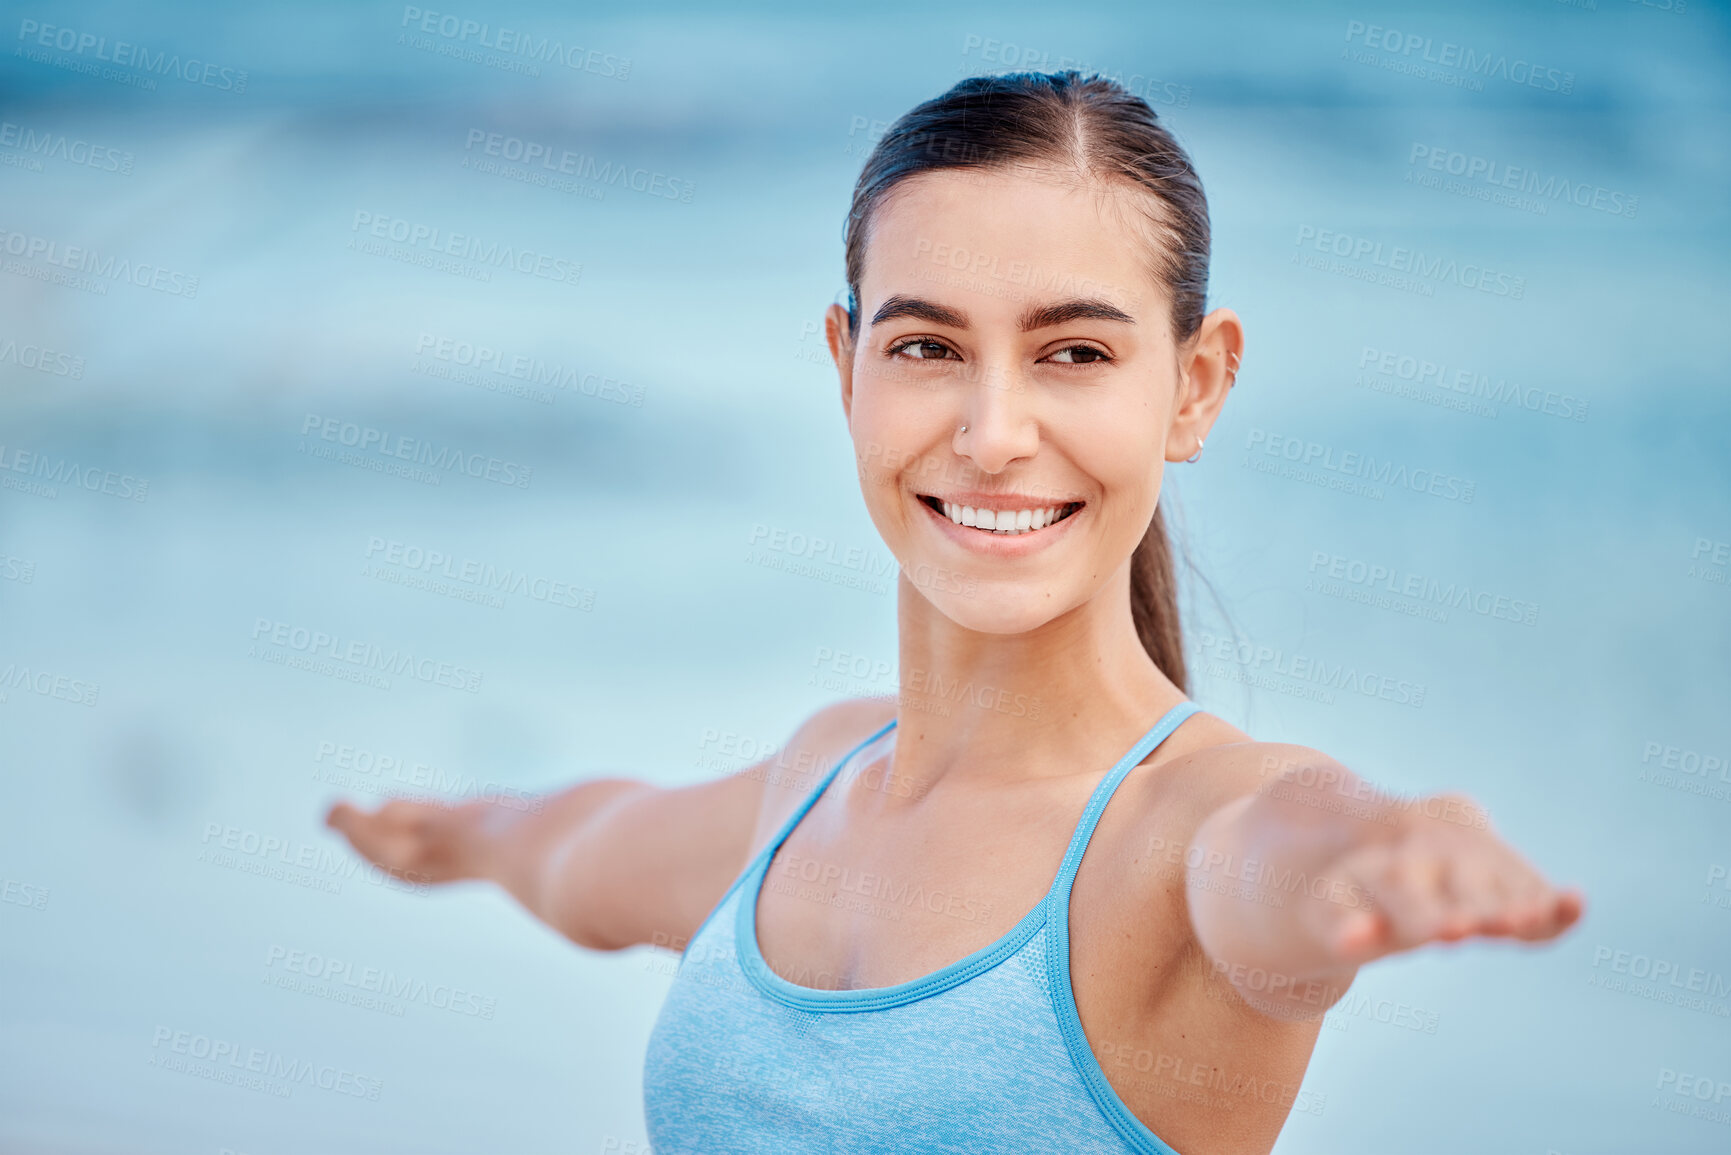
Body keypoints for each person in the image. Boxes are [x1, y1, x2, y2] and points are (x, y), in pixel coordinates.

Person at [327, 71, 1583, 1155]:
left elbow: (1291, 857)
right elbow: (586, 853)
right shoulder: (818, 779)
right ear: (846, 366)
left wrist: (1397, 845)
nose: (991, 436)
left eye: (1074, 354)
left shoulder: (1187, 829)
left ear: (1195, 388)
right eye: (927, 347)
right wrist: (459, 834)